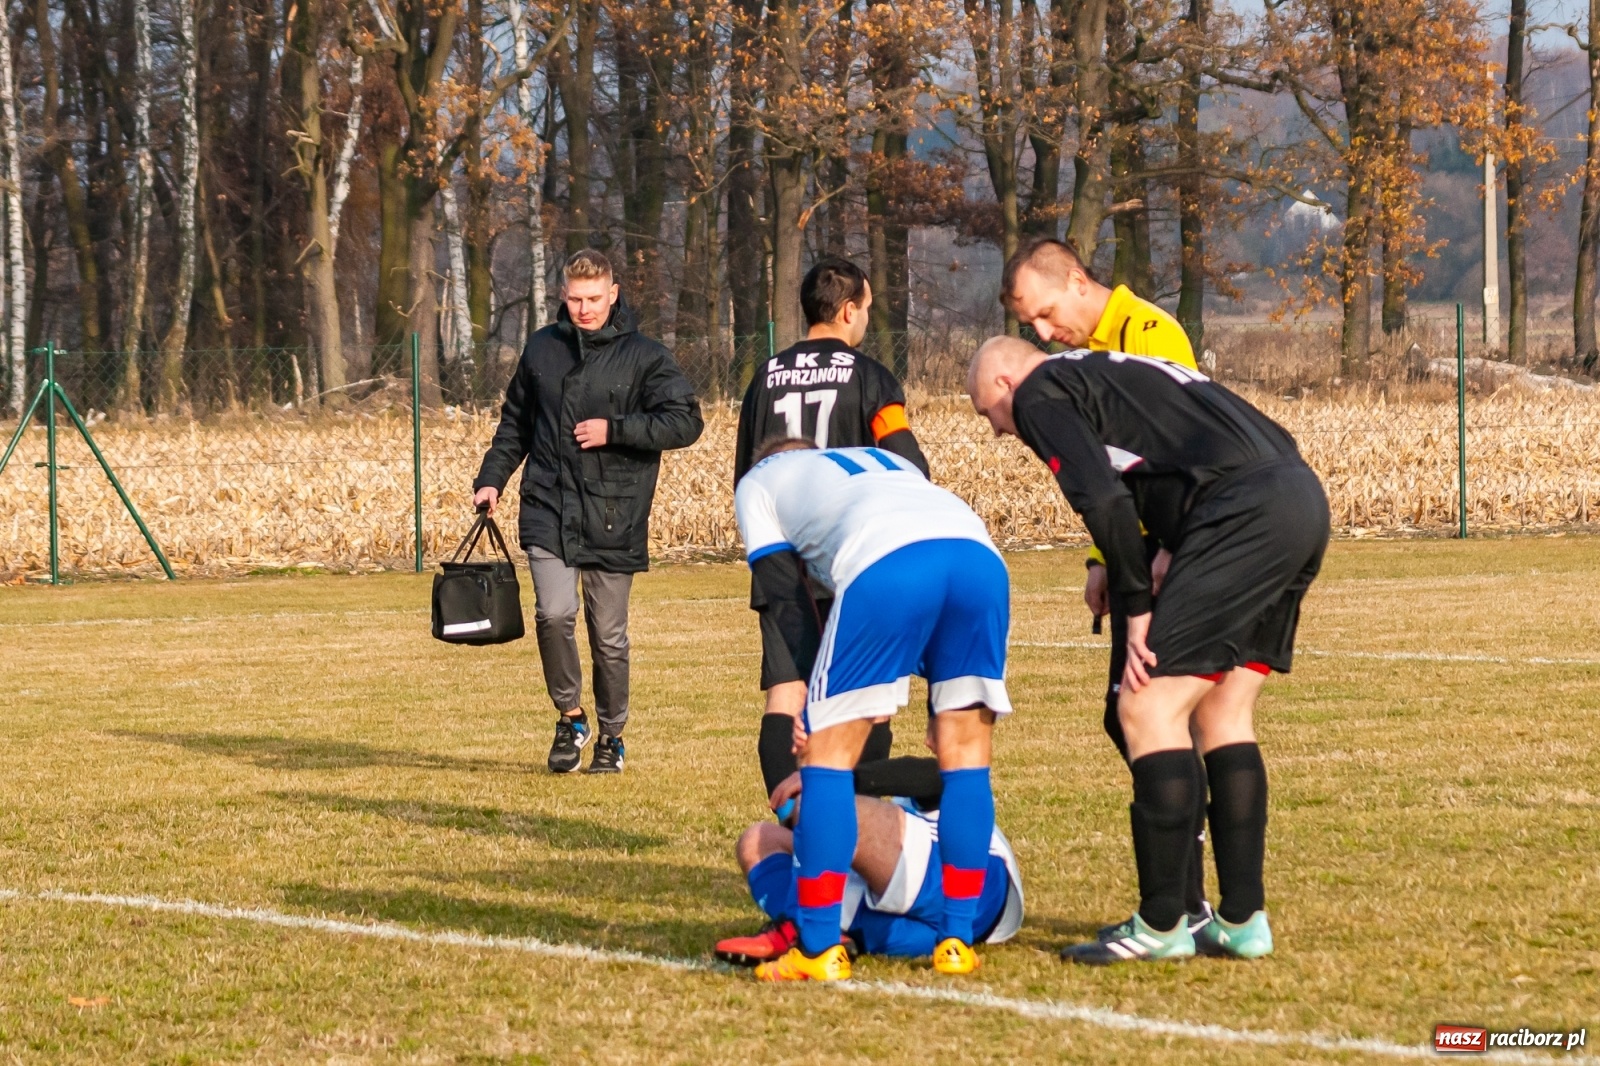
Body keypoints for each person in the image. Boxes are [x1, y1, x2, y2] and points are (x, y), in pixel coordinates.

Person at [967, 336, 1329, 965]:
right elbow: (1205, 452)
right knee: (1223, 712)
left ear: (1003, 382)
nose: (1000, 430)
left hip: (1239, 514)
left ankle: (1164, 923)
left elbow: (1103, 498)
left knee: (1146, 707)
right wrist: (1169, 545)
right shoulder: (1115, 370)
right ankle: (1243, 921)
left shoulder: (1039, 392)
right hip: (1296, 496)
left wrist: (1136, 608)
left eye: (986, 413)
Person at [1000, 237, 1215, 937]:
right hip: (1134, 553)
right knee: (1130, 714)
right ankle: (1186, 882)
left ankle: (1187, 887)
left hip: (1168, 554)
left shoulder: (1150, 332)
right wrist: (1099, 558)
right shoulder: (1075, 361)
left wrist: (1170, 550)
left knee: (1149, 712)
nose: (1042, 332)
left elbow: (1182, 449)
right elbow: (1107, 475)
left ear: (1079, 282)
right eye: (1029, 325)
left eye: (1045, 313)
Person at [734, 439, 1011, 982]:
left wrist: (814, 699)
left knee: (826, 762)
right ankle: (955, 941)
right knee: (966, 754)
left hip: (887, 563)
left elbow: (787, 598)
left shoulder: (757, 483)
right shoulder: (886, 464)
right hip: (980, 558)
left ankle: (817, 948)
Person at [473, 249, 704, 775]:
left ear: (614, 293)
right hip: (547, 507)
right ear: (562, 296)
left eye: (594, 299)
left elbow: (685, 422)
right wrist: (491, 479)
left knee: (609, 637)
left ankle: (612, 736)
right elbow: (515, 425)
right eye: (575, 299)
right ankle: (571, 717)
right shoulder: (541, 350)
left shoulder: (646, 356)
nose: (584, 309)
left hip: (613, 513)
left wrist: (615, 430)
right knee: (553, 615)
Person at [735, 257, 930, 783]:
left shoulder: (764, 378)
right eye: (866, 308)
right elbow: (909, 466)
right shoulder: (870, 378)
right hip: (853, 558)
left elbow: (745, 477)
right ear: (848, 310)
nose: (866, 318)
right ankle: (859, 817)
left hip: (782, 558)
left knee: (788, 691)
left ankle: (791, 815)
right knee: (868, 695)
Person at [715, 750, 1023, 967]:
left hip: (977, 891)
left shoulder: (943, 799)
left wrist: (837, 781)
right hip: (904, 930)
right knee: (757, 840)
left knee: (826, 805)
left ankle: (800, 927)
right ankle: (808, 931)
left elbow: (936, 775)